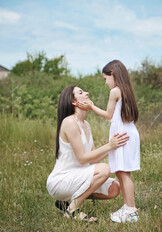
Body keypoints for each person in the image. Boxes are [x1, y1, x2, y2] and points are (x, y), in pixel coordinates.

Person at [46, 84, 129, 222]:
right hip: (61, 180)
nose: (87, 93)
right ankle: (73, 208)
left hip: (76, 178)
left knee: (114, 188)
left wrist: (116, 147)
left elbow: (93, 159)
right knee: (104, 169)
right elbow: (83, 159)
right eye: (81, 92)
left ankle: (65, 201)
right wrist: (109, 145)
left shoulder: (86, 124)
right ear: (74, 102)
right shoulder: (69, 122)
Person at [77, 60, 140, 223]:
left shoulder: (115, 91)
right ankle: (127, 207)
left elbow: (109, 115)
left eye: (105, 78)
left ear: (112, 74)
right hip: (126, 133)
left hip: (123, 135)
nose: (105, 82)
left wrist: (91, 106)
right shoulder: (126, 89)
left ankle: (131, 211)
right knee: (120, 171)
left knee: (124, 172)